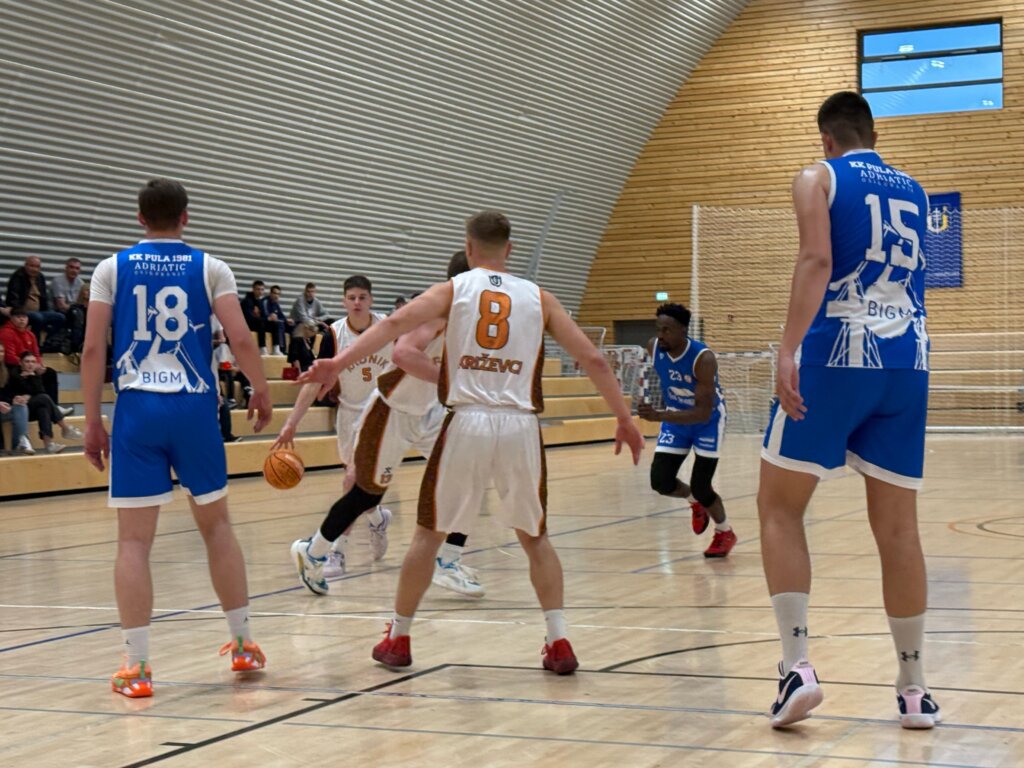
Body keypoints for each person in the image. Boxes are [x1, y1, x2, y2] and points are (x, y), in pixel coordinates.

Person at [298, 210, 645, 674]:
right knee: (536, 538)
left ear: (468, 246)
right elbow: (595, 360)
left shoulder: (453, 289)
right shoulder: (540, 298)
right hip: (520, 425)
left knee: (427, 534)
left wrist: (336, 363)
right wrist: (623, 417)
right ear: (510, 249)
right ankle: (559, 640)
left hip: (466, 420)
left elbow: (393, 326)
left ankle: (399, 638)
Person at [758, 92, 938, 729]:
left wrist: (787, 350)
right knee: (899, 532)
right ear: (873, 135)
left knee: (779, 507)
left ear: (827, 139)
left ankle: (796, 669)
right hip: (907, 364)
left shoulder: (818, 177)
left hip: (837, 354)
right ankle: (914, 688)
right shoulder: (916, 191)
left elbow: (817, 260)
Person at [81, 178, 273, 698]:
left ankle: (138, 668)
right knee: (217, 527)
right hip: (194, 406)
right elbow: (240, 337)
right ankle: (243, 644)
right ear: (185, 217)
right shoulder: (211, 267)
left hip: (138, 410)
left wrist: (94, 420)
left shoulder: (110, 268)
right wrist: (259, 388)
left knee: (133, 541)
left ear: (140, 218)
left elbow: (93, 349)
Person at [287, 253, 486, 600]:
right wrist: (453, 382)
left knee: (470, 476)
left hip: (429, 411)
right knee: (366, 492)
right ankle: (314, 551)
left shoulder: (468, 313)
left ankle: (449, 560)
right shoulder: (439, 308)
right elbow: (403, 354)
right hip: (392, 410)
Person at [278, 275, 393, 577]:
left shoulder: (388, 327)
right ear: (344, 301)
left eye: (362, 297)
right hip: (349, 413)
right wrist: (291, 422)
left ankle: (336, 553)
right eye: (351, 297)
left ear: (371, 300)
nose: (357, 302)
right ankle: (378, 519)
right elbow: (315, 381)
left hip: (382, 413)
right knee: (361, 490)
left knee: (351, 480)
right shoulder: (333, 334)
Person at [638, 303, 735, 558]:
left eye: (667, 330)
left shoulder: (703, 358)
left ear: (683, 330)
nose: (661, 335)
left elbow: (702, 412)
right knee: (661, 482)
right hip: (676, 417)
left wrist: (658, 415)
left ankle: (724, 531)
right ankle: (694, 501)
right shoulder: (654, 347)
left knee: (702, 485)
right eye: (658, 329)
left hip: (708, 421)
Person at [8, 351, 82, 453]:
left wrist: (32, 377)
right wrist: (29, 389)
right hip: (18, 409)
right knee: (44, 398)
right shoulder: (14, 374)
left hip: (31, 407)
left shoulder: (34, 374)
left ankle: (49, 444)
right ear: (20, 363)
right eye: (27, 361)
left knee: (43, 409)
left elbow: (40, 390)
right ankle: (65, 428)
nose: (30, 364)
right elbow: (27, 390)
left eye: (33, 362)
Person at [0, 309, 68, 412]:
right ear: (11, 318)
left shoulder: (30, 334)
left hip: (28, 364)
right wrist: (26, 365)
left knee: (49, 373)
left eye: (24, 317)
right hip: (14, 365)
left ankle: (54, 405)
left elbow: (36, 353)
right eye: (18, 317)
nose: (22, 320)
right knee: (19, 374)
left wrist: (38, 365)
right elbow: (9, 356)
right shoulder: (6, 333)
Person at [5, 255, 65, 346]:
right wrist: (20, 312)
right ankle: (35, 345)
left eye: (37, 267)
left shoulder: (40, 277)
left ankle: (48, 343)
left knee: (60, 317)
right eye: (32, 266)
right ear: (26, 265)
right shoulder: (18, 277)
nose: (34, 269)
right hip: (23, 312)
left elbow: (44, 297)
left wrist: (48, 311)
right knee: (38, 318)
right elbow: (13, 298)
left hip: (39, 311)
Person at [0, 341, 31, 455]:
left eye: (2, 351)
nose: (0, 354)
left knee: (21, 405)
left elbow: (8, 393)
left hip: (4, 407)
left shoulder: (5, 371)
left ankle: (23, 440)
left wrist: (15, 399)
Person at [241, 280, 283, 356]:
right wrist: (267, 319)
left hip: (260, 323)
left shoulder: (261, 301)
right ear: (253, 289)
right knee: (261, 323)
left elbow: (264, 316)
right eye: (258, 289)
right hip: (249, 324)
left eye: (262, 289)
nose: (260, 292)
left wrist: (270, 318)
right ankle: (262, 348)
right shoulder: (247, 301)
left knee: (275, 324)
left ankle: (276, 348)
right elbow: (250, 318)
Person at [265, 285, 291, 353]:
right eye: (275, 293)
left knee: (292, 326)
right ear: (270, 293)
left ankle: (293, 350)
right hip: (266, 324)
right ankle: (281, 349)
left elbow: (281, 316)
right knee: (280, 324)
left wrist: (287, 320)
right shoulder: (265, 301)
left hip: (275, 323)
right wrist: (269, 317)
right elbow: (264, 315)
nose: (276, 296)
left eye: (278, 294)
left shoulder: (276, 304)